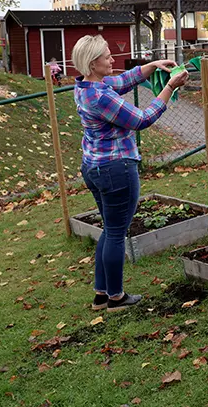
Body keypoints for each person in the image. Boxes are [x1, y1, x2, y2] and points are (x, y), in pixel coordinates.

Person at [72, 35, 188, 312]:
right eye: (107, 56)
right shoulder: (100, 97)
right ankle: (116, 297)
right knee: (115, 233)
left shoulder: (87, 85)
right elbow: (141, 119)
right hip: (116, 168)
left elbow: (124, 80)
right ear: (92, 62)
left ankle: (102, 294)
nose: (113, 60)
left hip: (94, 166)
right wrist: (170, 86)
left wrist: (153, 65)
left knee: (109, 229)